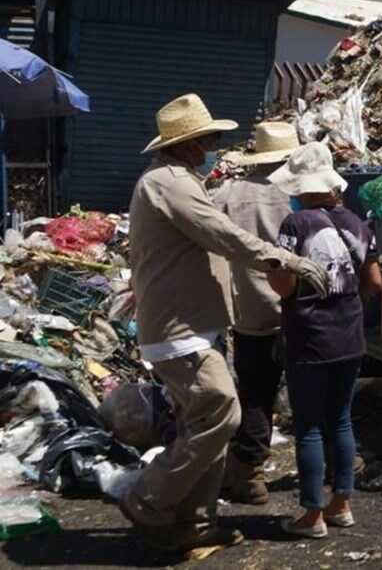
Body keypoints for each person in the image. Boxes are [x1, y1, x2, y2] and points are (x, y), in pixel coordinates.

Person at [124, 94, 330, 552]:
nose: (214, 147)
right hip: (181, 330)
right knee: (223, 410)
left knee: (205, 421)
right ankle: (147, 496)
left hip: (198, 323)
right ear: (188, 144)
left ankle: (196, 521)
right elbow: (221, 234)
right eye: (209, 140)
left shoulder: (182, 180)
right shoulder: (169, 183)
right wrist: (282, 258)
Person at [266, 142, 382, 538]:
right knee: (342, 419)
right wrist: (344, 305)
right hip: (349, 337)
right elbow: (375, 282)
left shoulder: (294, 226)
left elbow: (283, 287)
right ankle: (342, 505)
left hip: (309, 338)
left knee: (310, 427)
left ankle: (312, 515)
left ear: (299, 187)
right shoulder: (357, 223)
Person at [211, 121, 300, 505]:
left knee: (257, 395)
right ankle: (333, 463)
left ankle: (249, 475)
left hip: (252, 310)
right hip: (301, 308)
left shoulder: (230, 193)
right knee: (314, 392)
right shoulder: (300, 192)